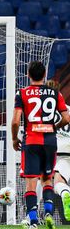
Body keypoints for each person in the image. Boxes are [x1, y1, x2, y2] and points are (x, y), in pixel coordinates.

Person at [12, 62, 70, 229]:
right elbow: (66, 118)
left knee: (31, 182)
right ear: (44, 74)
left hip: (32, 140)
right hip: (51, 142)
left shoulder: (22, 93)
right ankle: (49, 214)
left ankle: (33, 222)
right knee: (47, 181)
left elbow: (16, 121)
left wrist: (15, 139)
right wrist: (54, 127)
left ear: (28, 73)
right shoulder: (56, 95)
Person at [47, 80, 70, 221]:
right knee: (57, 182)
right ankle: (65, 192)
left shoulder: (43, 111)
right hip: (67, 151)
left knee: (41, 182)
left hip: (50, 149)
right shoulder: (68, 109)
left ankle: (32, 214)